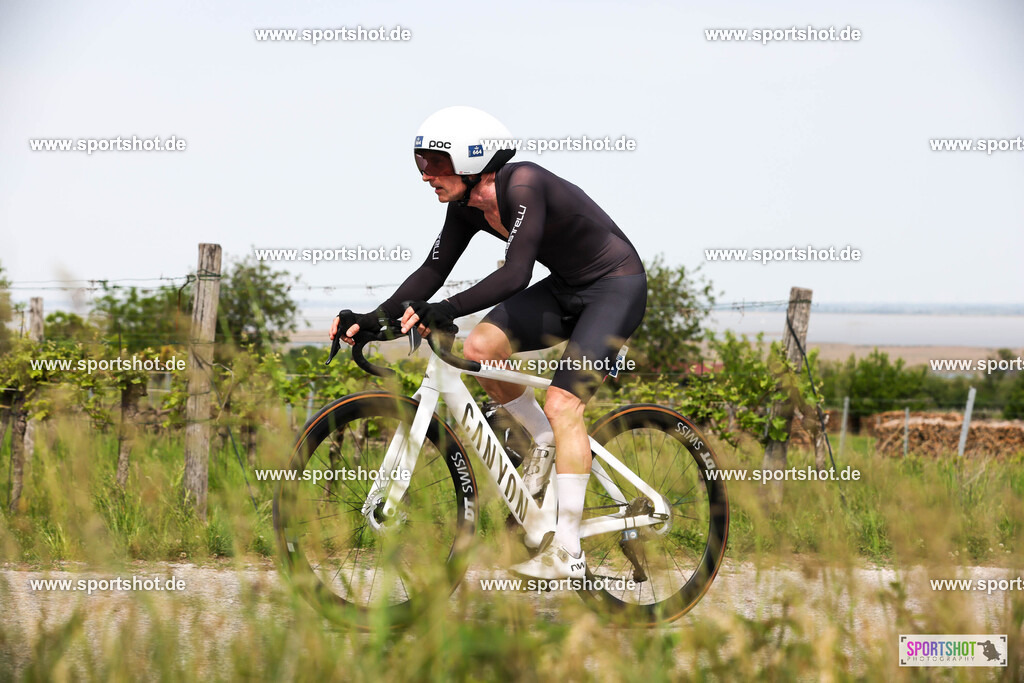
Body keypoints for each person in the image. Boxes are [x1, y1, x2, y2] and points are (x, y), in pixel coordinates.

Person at [329, 106, 647, 580]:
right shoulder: (466, 207)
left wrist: (447, 310)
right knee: (478, 349)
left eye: (432, 163)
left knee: (564, 404)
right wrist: (377, 318)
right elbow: (432, 271)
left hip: (616, 287)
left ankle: (568, 548)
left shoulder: (524, 185)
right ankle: (542, 440)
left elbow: (517, 273)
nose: (424, 176)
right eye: (419, 164)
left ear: (469, 157)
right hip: (564, 287)